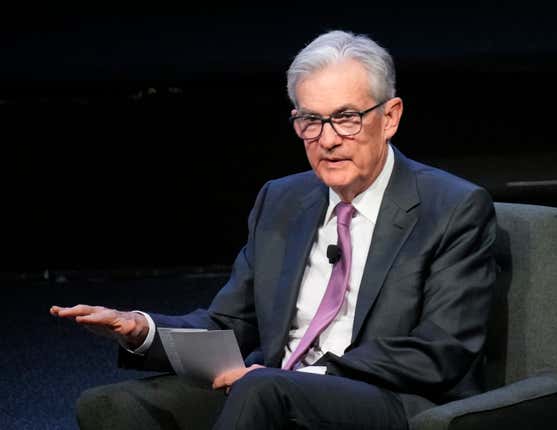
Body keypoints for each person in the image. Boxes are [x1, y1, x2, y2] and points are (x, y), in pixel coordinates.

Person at [51, 30, 497, 429]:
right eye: (310, 121)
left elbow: (442, 350)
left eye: (346, 118)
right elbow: (230, 325)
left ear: (391, 117)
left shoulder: (452, 207)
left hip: (389, 400)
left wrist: (299, 378)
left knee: (263, 389)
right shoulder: (282, 200)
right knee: (114, 406)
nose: (327, 139)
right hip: (269, 390)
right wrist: (141, 328)